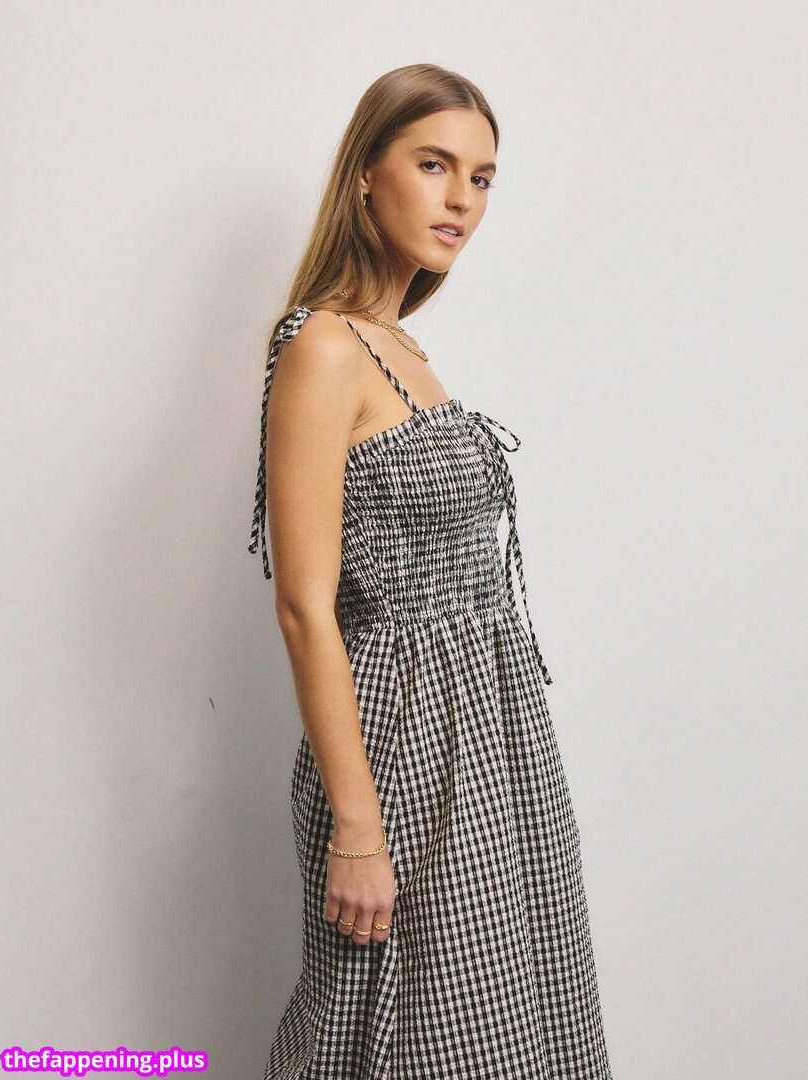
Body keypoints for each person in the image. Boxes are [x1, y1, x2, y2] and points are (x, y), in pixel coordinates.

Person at [248, 63, 613, 1080]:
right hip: (402, 740)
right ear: (366, 174)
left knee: (512, 1024)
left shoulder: (397, 344)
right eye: (433, 165)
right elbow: (304, 606)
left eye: (482, 178)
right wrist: (358, 829)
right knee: (402, 1034)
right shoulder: (323, 346)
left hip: (490, 734)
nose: (462, 200)